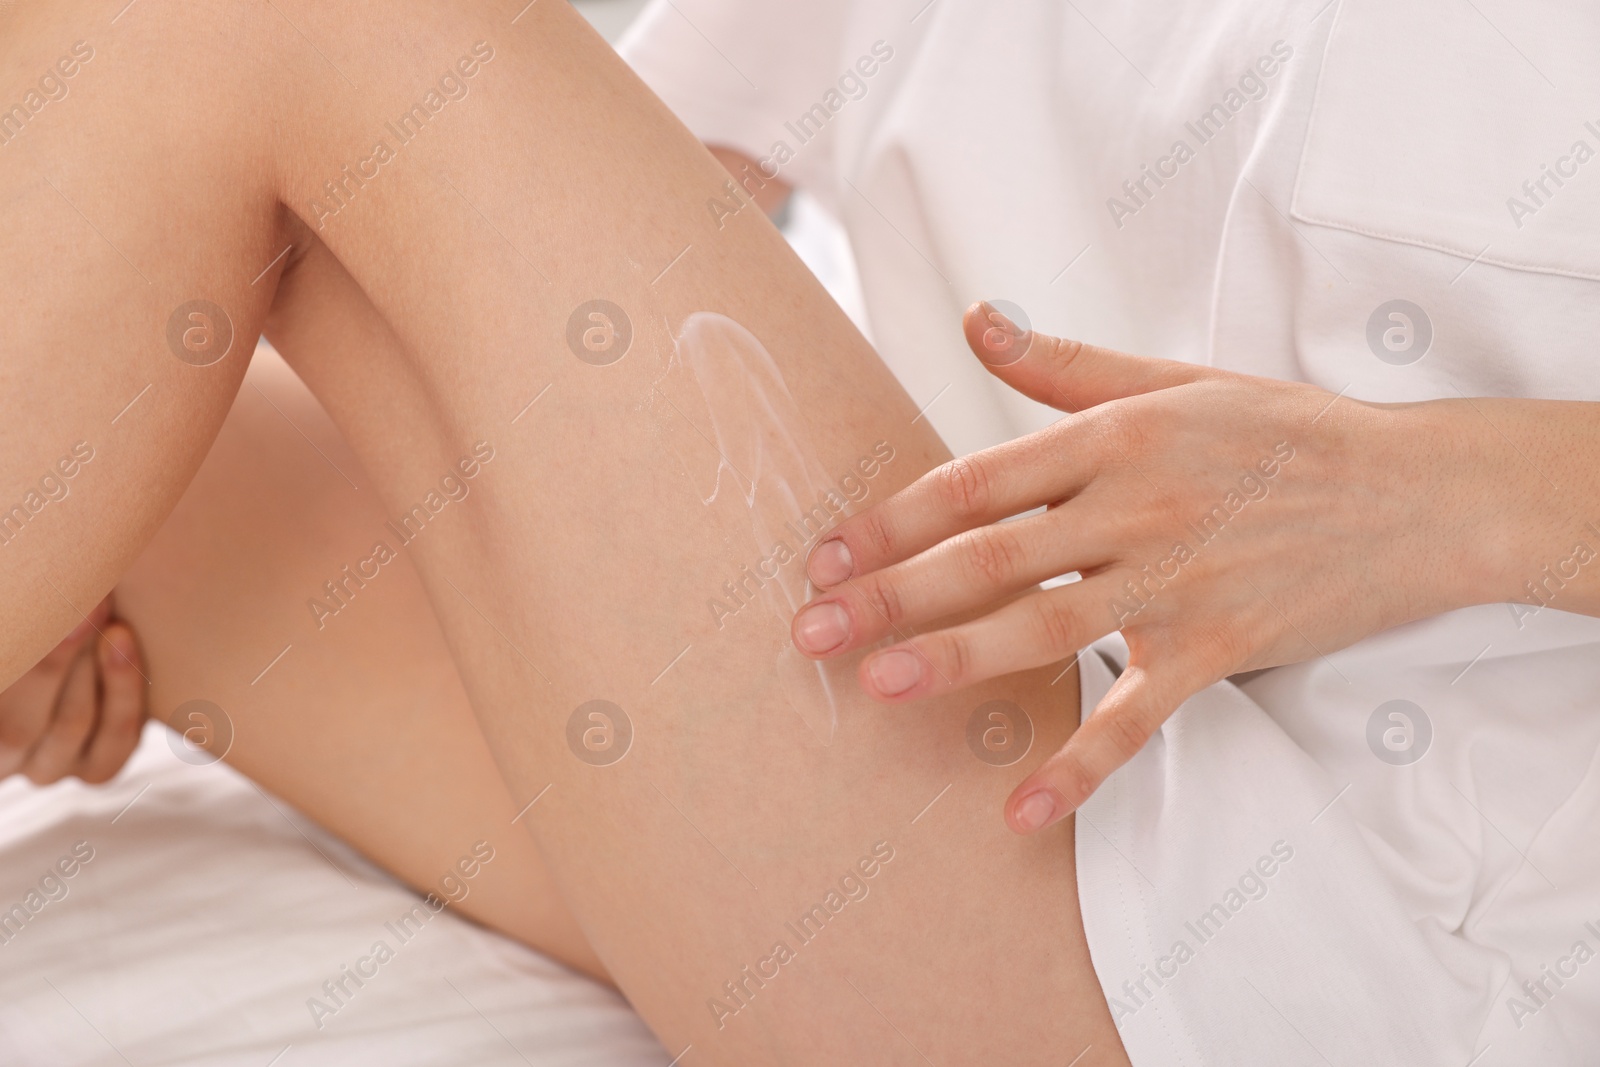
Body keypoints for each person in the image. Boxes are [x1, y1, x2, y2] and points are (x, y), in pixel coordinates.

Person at [0, 1, 1128, 1063]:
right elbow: (602, 178)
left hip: (1144, 843)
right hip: (947, 643)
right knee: (119, 413)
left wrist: (1316, 480)